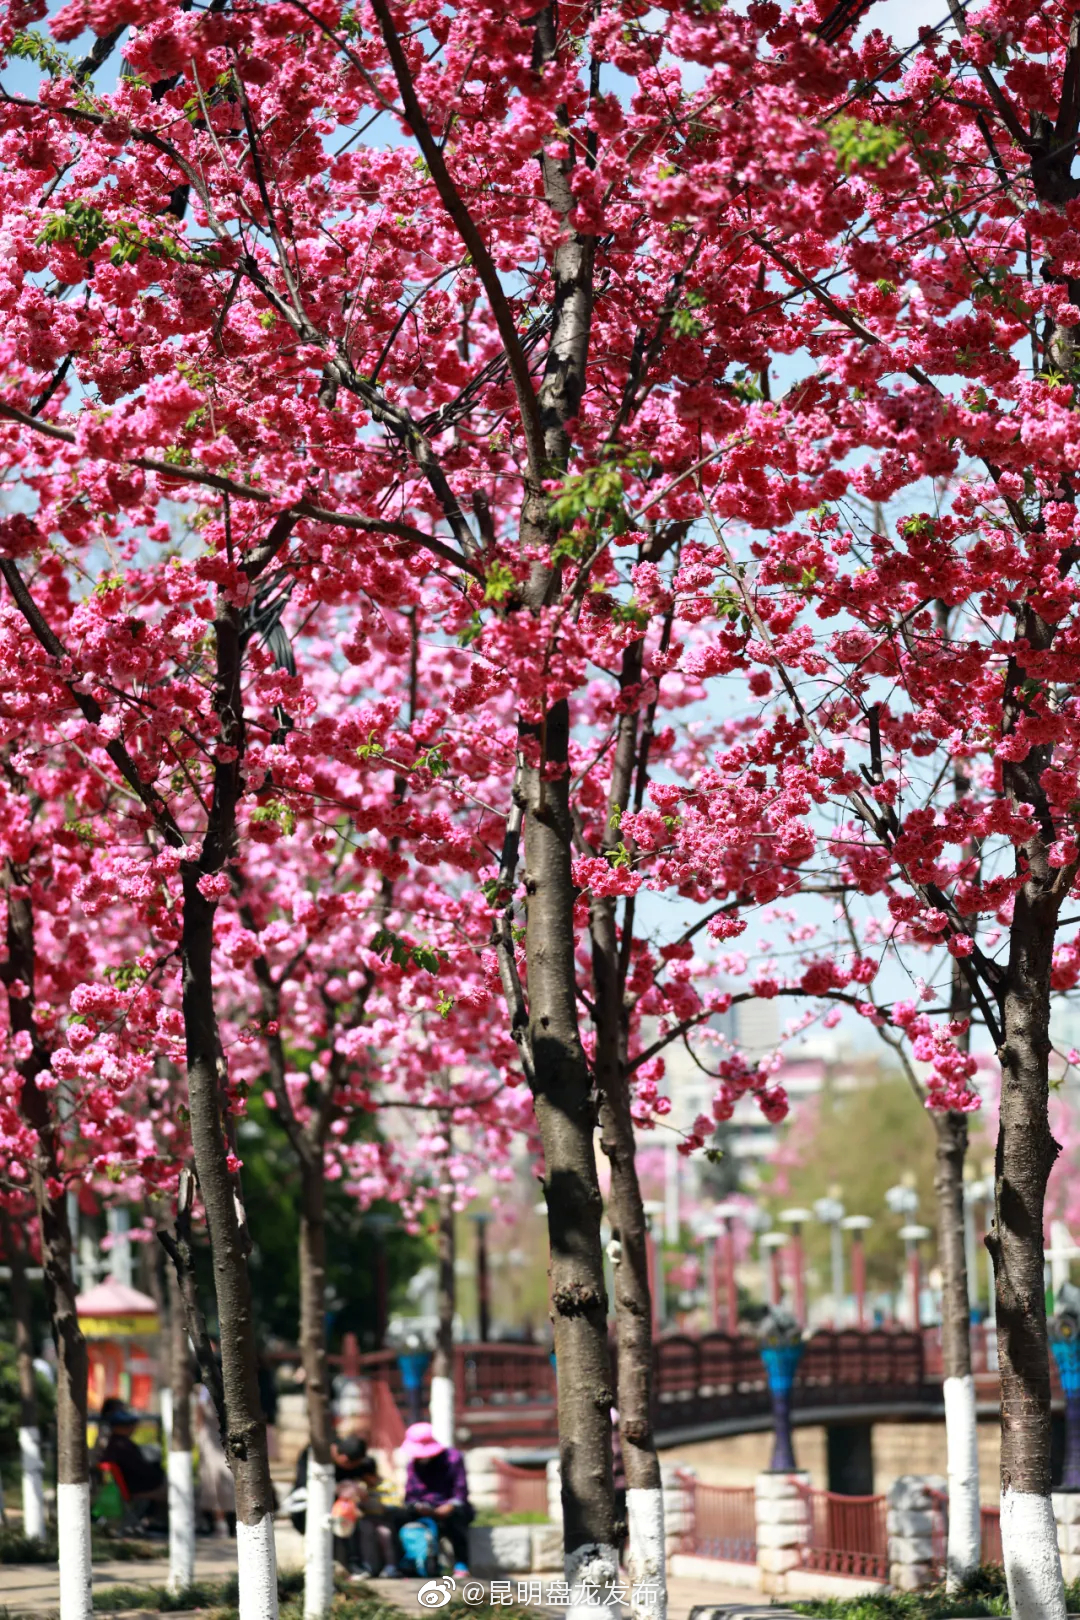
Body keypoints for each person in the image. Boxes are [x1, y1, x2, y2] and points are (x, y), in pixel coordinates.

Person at [384, 1421, 473, 1578]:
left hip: (450, 1508)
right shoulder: (413, 1464)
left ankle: (461, 1563)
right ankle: (402, 1562)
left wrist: (449, 1506)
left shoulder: (453, 1458)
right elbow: (410, 1495)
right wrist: (418, 1506)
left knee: (456, 1520)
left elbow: (461, 1492)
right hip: (424, 1508)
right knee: (395, 1517)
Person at [98, 1402, 167, 1524]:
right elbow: (139, 1470)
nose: (133, 1427)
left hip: (134, 1484)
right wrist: (158, 1472)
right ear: (121, 1427)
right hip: (136, 1487)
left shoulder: (118, 1444)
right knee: (174, 1489)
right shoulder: (122, 1446)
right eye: (130, 1424)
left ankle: (154, 1520)